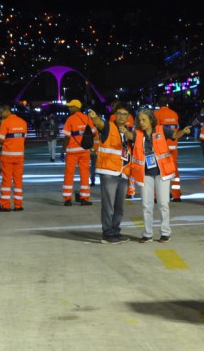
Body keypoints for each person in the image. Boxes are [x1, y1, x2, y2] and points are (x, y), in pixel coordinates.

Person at [85, 105, 132, 244]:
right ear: (115, 115)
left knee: (119, 206)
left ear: (128, 116)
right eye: (119, 113)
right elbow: (99, 124)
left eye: (124, 114)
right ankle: (107, 233)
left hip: (123, 172)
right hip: (109, 172)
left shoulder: (128, 132)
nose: (121, 116)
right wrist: (94, 117)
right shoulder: (108, 127)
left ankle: (115, 231)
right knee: (108, 205)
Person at [132, 108, 176, 243]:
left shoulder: (162, 130)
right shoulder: (137, 133)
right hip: (145, 173)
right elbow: (128, 136)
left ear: (151, 120)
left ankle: (165, 232)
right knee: (146, 205)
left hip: (162, 172)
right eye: (139, 120)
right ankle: (147, 234)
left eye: (144, 120)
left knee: (163, 203)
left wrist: (183, 131)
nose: (141, 122)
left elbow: (174, 135)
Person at [0, 106, 28, 211]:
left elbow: (0, 140)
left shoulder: (5, 122)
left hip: (7, 156)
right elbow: (23, 138)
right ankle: (18, 205)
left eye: (1, 113)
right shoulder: (23, 122)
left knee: (6, 181)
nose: (1, 115)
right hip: (19, 156)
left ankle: (5, 205)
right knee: (18, 180)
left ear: (6, 111)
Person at [61, 99, 93, 205]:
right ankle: (84, 198)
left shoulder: (70, 119)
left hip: (72, 152)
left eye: (71, 106)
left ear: (77, 107)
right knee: (84, 174)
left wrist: (63, 149)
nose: (69, 108)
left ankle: (67, 199)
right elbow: (93, 132)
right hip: (84, 151)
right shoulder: (87, 118)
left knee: (69, 174)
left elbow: (66, 136)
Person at [155, 98, 185, 200]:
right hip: (173, 146)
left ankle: (157, 196)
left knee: (159, 171)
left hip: (162, 147)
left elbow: (156, 131)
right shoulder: (174, 114)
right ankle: (176, 195)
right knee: (174, 171)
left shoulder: (157, 114)